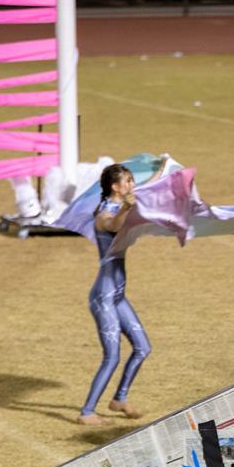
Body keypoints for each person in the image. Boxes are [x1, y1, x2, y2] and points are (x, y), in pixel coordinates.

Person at [76, 161, 164, 426]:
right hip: (103, 296)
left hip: (117, 295)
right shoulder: (103, 212)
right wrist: (128, 206)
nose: (132, 186)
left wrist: (162, 168)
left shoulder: (125, 201)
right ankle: (87, 412)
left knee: (143, 347)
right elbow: (112, 225)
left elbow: (146, 190)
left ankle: (119, 399)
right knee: (112, 356)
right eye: (127, 181)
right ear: (115, 187)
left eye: (132, 181)